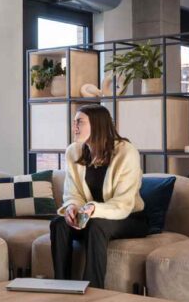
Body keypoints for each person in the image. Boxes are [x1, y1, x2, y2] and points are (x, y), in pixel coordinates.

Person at [50, 104, 147, 289]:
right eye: (74, 122)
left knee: (96, 226)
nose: (74, 127)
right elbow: (73, 193)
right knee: (59, 223)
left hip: (129, 217)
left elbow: (123, 203)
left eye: (80, 122)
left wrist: (94, 209)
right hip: (90, 215)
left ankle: (94, 290)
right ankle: (61, 286)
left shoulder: (126, 152)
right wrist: (72, 207)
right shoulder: (73, 151)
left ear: (97, 124)